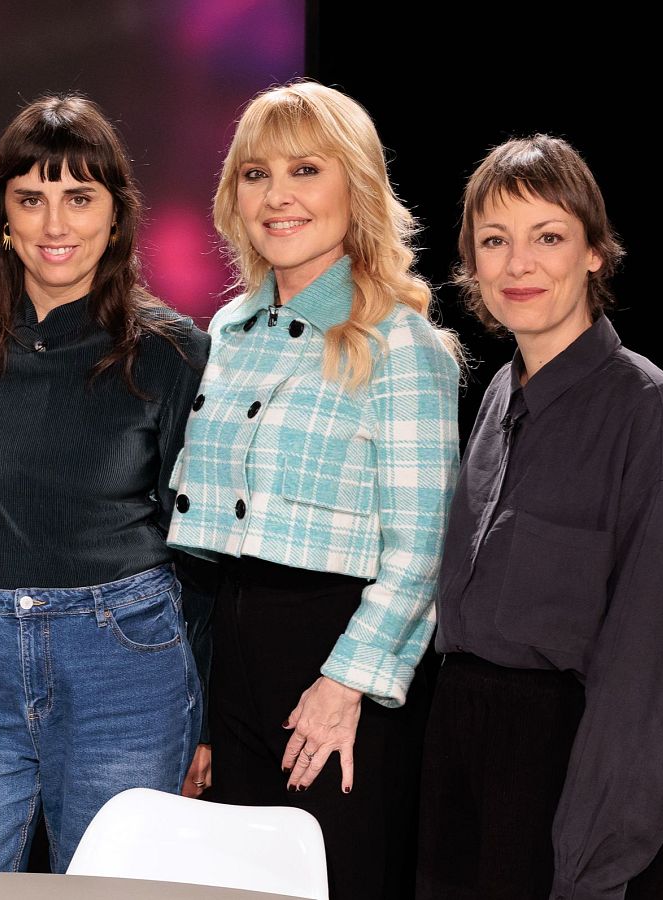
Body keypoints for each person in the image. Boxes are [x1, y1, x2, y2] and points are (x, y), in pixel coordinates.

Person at [0, 94, 212, 874]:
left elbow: (202, 546)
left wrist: (204, 715)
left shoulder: (171, 351)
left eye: (79, 197)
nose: (55, 223)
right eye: (31, 199)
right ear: (3, 214)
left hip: (124, 667)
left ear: (115, 215)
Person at [166, 80, 462, 899]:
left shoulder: (401, 343)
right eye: (256, 175)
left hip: (342, 666)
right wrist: (203, 701)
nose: (278, 196)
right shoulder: (225, 332)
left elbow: (424, 549)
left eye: (305, 170)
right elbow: (204, 542)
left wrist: (345, 685)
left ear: (355, 187)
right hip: (234, 658)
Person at [417, 135, 663, 900]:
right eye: (495, 241)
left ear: (594, 252)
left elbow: (656, 680)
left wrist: (593, 864)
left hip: (569, 780)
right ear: (472, 264)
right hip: (463, 760)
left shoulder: (647, 413)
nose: (519, 265)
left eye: (547, 237)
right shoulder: (495, 396)